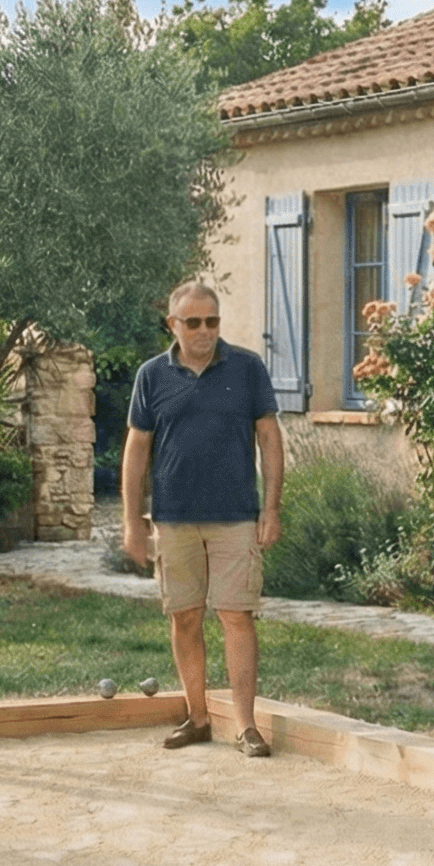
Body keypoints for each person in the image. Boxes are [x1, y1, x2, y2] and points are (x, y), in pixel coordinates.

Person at [121, 282, 284, 759]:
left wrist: (271, 508)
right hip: (174, 519)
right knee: (184, 616)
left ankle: (247, 726)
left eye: (212, 321)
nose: (204, 331)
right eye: (192, 322)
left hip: (235, 516)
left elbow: (270, 439)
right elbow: (136, 451)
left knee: (237, 616)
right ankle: (197, 717)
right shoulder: (152, 375)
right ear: (172, 325)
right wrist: (133, 523)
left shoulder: (247, 368)